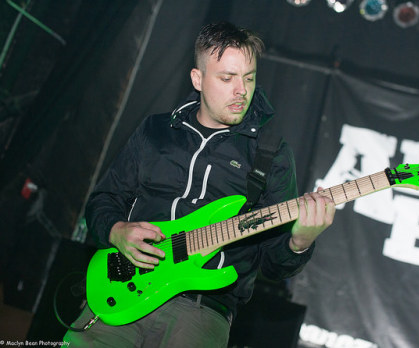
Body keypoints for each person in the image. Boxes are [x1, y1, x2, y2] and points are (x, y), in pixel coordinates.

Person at [64, 21, 335, 347]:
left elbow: (272, 265)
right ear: (198, 79)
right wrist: (115, 231)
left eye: (249, 78)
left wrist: (299, 242)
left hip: (201, 313)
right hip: (122, 290)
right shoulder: (156, 131)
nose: (242, 90)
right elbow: (104, 199)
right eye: (227, 78)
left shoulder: (270, 155)